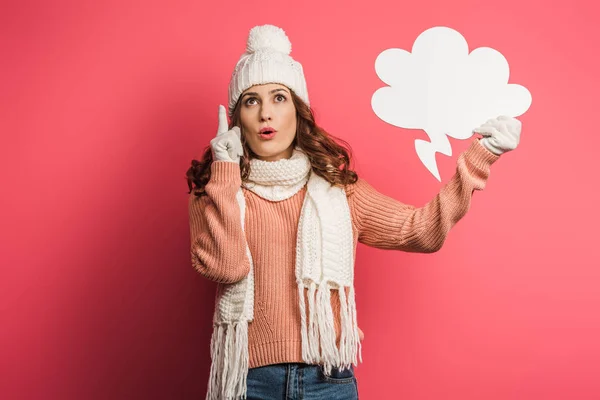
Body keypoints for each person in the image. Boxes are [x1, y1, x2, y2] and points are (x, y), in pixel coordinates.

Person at [186, 24, 521, 400]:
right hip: (249, 383)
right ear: (237, 118)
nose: (266, 113)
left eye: (279, 97)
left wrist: (482, 156)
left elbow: (421, 230)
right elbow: (226, 267)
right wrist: (224, 171)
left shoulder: (340, 192)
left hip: (328, 381)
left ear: (298, 110)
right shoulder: (213, 191)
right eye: (251, 101)